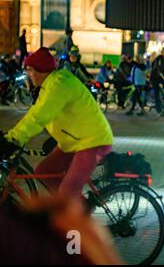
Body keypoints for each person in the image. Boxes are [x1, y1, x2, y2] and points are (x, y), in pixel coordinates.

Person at [0, 47, 113, 198]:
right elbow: (34, 113)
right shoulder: (48, 85)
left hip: (92, 142)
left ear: (39, 71)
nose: (28, 75)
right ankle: (72, 206)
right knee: (44, 172)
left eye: (30, 70)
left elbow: (39, 117)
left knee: (68, 189)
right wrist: (10, 136)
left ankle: (77, 217)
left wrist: (15, 139)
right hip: (73, 141)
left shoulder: (59, 85)